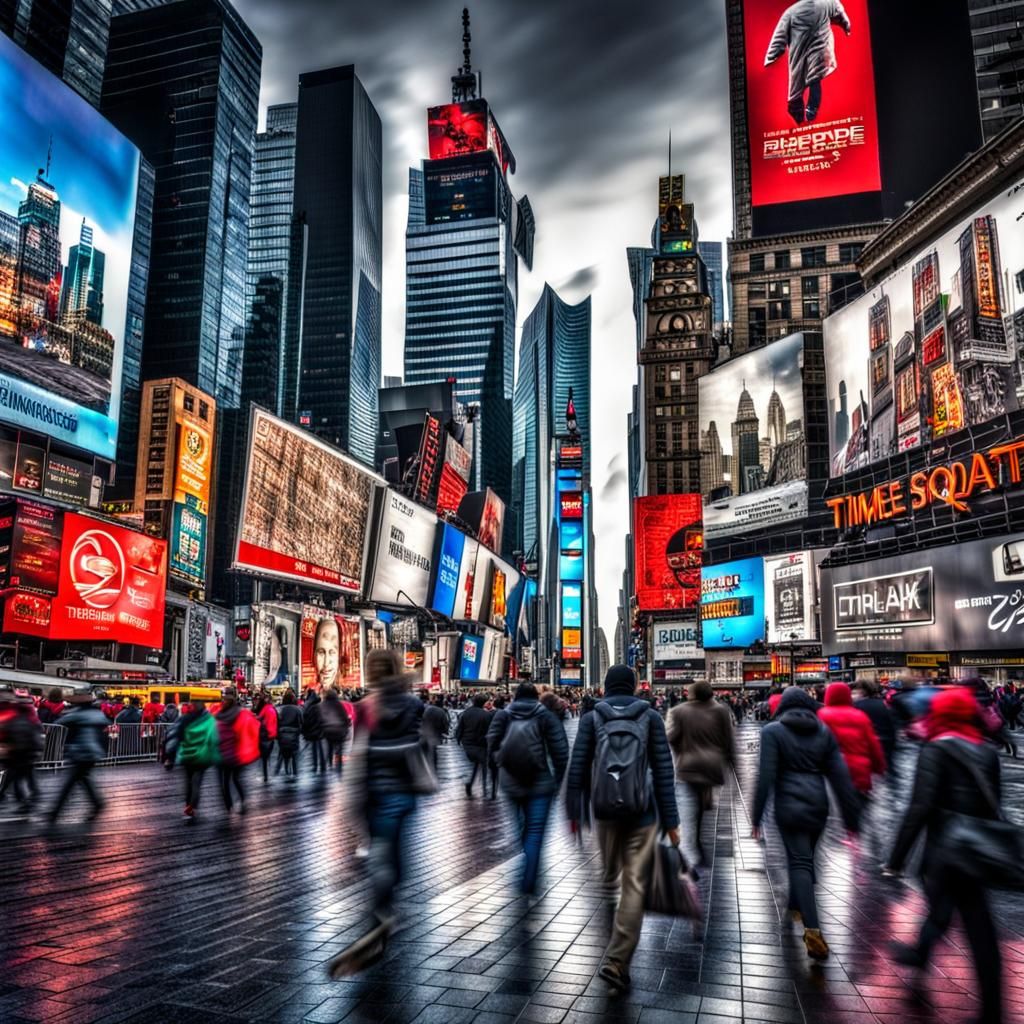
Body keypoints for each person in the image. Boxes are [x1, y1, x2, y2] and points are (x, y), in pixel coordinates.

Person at [883, 688, 1004, 1024]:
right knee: (976, 926)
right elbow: (994, 804)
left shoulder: (936, 749)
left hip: (945, 850)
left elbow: (919, 807)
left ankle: (920, 954)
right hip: (977, 849)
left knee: (948, 911)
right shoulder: (987, 751)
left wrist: (895, 859)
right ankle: (991, 1008)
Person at [565, 665, 680, 993]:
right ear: (634, 687)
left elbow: (577, 766)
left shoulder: (591, 718)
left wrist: (576, 812)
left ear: (606, 687)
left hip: (605, 810)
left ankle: (609, 886)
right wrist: (671, 821)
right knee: (635, 884)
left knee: (611, 870)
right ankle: (617, 960)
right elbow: (663, 771)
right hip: (642, 811)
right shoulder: (651, 717)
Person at [328, 650, 426, 977]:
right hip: (405, 790)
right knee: (395, 855)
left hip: (374, 791)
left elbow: (359, 753)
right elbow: (419, 745)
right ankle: (386, 906)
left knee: (381, 852)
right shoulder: (413, 705)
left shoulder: (366, 707)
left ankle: (382, 911)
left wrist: (351, 799)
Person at [751, 687, 859, 960]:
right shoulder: (823, 732)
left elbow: (766, 777)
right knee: (804, 857)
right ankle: (794, 905)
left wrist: (756, 816)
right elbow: (840, 777)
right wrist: (851, 819)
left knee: (800, 862)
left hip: (788, 805)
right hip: (818, 806)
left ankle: (813, 931)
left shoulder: (773, 732)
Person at [487, 682, 569, 895]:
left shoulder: (503, 715)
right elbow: (561, 752)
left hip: (511, 782)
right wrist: (559, 781)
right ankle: (529, 879)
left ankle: (526, 867)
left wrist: (499, 767)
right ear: (536, 697)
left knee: (521, 828)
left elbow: (492, 745)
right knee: (534, 833)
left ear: (515, 697)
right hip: (540, 783)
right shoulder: (546, 716)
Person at [666, 680, 735, 870]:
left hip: (688, 767)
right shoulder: (721, 711)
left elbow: (671, 738)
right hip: (712, 767)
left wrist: (681, 750)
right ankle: (697, 842)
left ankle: (692, 845)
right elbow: (728, 742)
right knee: (702, 806)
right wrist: (731, 764)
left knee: (691, 808)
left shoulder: (679, 711)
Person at [765, 0, 852, 125]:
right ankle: (808, 113)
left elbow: (779, 36)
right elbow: (842, 16)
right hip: (819, 52)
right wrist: (846, 27)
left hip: (804, 54)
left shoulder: (790, 12)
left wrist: (772, 55)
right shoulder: (827, 2)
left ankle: (806, 115)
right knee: (814, 79)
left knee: (805, 85)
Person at [817, 682, 885, 805]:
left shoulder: (822, 715)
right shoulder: (860, 715)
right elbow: (873, 745)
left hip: (833, 774)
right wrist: (879, 767)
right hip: (859, 772)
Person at [48, 693, 109, 824]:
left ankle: (55, 812)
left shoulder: (77, 714)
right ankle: (97, 803)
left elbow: (58, 722)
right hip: (94, 751)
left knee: (70, 782)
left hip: (81, 751)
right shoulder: (97, 714)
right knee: (82, 779)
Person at [166, 698, 220, 821]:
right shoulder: (209, 720)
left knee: (189, 781)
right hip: (202, 755)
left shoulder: (185, 718)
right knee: (196, 781)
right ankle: (192, 805)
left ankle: (188, 804)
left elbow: (176, 735)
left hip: (187, 755)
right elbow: (214, 738)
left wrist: (170, 755)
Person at [215, 686, 257, 813]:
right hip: (236, 753)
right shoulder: (240, 713)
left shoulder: (218, 715)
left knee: (224, 781)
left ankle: (229, 805)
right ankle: (242, 800)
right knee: (236, 778)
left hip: (222, 753)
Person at [0, 692, 42, 813]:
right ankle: (30, 799)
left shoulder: (16, 719)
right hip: (27, 752)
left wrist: (10, 748)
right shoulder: (28, 718)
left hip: (20, 754)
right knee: (21, 777)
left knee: (17, 779)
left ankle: (26, 802)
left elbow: (17, 737)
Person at [854, 680, 897, 770]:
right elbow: (892, 724)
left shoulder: (856, 706)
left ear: (862, 691)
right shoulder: (884, 704)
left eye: (855, 692)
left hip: (868, 746)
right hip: (886, 742)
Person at [455, 694, 492, 798]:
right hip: (480, 744)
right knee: (484, 765)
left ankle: (470, 783)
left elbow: (460, 728)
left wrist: (459, 740)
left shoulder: (466, 713)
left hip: (467, 743)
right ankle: (484, 788)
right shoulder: (486, 715)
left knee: (475, 764)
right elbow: (489, 730)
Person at [321, 687, 351, 775]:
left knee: (329, 749)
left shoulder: (323, 705)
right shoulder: (339, 704)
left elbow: (320, 717)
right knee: (339, 749)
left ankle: (328, 766)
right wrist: (346, 727)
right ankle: (339, 767)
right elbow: (344, 717)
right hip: (339, 730)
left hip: (327, 730)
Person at [276, 689, 303, 780]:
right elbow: (301, 722)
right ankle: (295, 774)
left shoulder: (280, 709)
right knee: (294, 755)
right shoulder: (297, 709)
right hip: (294, 735)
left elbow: (276, 722)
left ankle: (284, 771)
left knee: (284, 755)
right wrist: (299, 731)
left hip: (282, 735)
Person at [420, 692, 449, 772]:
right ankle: (433, 768)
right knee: (433, 751)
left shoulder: (425, 708)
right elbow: (445, 724)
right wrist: (445, 732)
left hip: (423, 733)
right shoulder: (441, 711)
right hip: (435, 735)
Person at [254, 692, 278, 783]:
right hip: (272, 735)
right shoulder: (273, 709)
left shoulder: (266, 708)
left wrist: (253, 716)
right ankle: (267, 772)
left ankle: (265, 775)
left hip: (265, 734)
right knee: (267, 755)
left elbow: (259, 718)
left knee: (264, 757)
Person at [302, 687, 327, 773]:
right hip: (320, 730)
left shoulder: (309, 707)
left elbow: (307, 720)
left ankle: (315, 766)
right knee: (321, 749)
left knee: (314, 750)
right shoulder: (320, 706)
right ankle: (323, 766)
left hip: (313, 730)